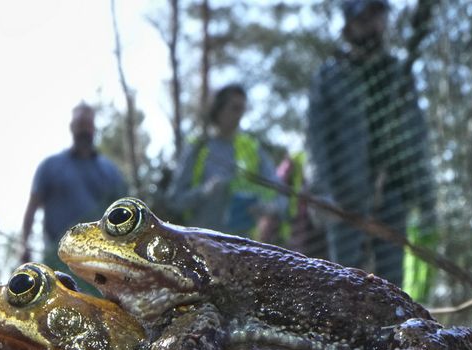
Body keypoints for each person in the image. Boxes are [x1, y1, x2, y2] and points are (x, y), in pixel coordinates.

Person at [306, 0, 435, 292]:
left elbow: (416, 136)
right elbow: (317, 139)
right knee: (345, 280)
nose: (374, 24)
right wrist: (322, 191)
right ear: (350, 24)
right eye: (365, 17)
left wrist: (425, 199)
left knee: (392, 284)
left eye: (379, 15)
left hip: (394, 189)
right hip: (345, 194)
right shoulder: (330, 75)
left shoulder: (398, 72)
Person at [20, 103, 127, 289]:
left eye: (87, 124)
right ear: (71, 127)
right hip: (59, 262)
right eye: (79, 124)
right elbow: (32, 208)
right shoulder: (50, 167)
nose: (84, 129)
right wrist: (24, 245)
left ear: (94, 128)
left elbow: (124, 217)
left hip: (102, 266)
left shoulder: (111, 172)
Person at [165, 83, 285, 239]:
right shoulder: (198, 149)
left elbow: (280, 194)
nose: (239, 115)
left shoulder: (251, 149)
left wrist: (268, 208)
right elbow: (175, 201)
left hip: (244, 247)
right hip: (202, 243)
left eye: (242, 109)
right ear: (218, 109)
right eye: (234, 108)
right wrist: (204, 191)